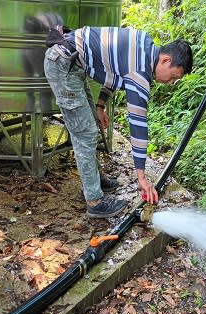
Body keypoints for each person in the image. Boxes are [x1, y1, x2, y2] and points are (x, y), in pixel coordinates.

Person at [44, 26, 193, 218]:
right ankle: (94, 202)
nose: (171, 82)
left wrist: (100, 105)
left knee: (89, 130)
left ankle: (94, 181)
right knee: (85, 134)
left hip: (74, 63)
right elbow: (138, 125)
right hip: (63, 64)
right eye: (173, 76)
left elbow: (113, 69)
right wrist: (141, 177)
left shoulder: (144, 44)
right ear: (166, 60)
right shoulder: (140, 72)